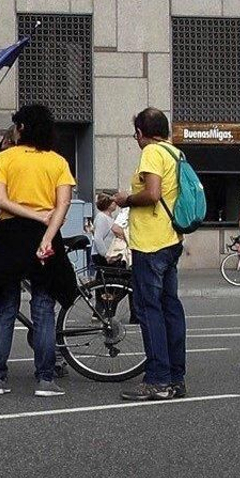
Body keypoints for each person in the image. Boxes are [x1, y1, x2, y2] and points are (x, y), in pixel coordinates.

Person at [0, 103, 76, 399]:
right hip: (44, 234)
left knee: (5, 308)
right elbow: (62, 205)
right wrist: (47, 233)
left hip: (9, 234)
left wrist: (31, 216)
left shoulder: (4, 158)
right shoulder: (57, 162)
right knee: (43, 307)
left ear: (21, 128)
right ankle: (45, 379)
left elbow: (0, 200)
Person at [115, 106, 187, 402]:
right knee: (170, 307)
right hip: (171, 239)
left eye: (136, 135)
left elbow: (153, 194)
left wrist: (126, 199)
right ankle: (176, 377)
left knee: (149, 309)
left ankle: (157, 379)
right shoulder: (175, 153)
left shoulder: (151, 152)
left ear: (141, 133)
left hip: (150, 242)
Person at [89, 192, 128, 267]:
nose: (115, 203)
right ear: (108, 204)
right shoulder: (102, 217)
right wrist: (105, 254)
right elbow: (98, 238)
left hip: (111, 255)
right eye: (113, 202)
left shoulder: (111, 218)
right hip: (103, 255)